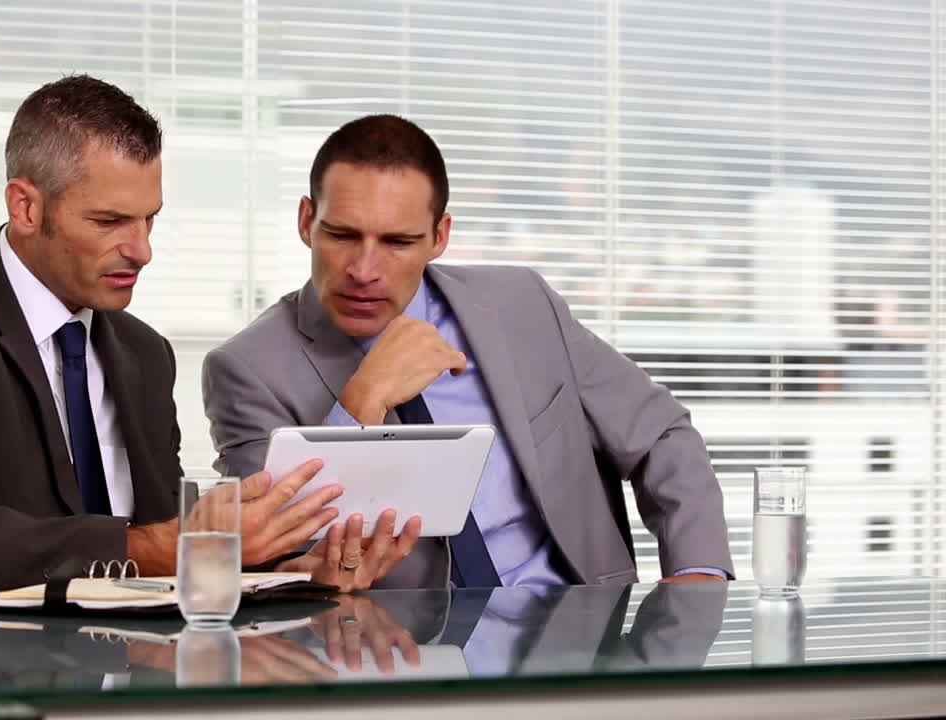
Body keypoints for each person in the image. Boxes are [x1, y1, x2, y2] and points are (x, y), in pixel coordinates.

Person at [0, 76, 408, 598]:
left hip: (96, 664)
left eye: (149, 220)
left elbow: (166, 565)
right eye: (109, 221)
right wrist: (169, 544)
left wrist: (294, 574)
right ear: (26, 208)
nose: (142, 250)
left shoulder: (141, 353)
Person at [202, 114, 734, 589]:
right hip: (407, 663)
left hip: (584, 630)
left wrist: (697, 577)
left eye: (397, 242)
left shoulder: (522, 305)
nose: (364, 271)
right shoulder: (246, 370)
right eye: (342, 235)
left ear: (439, 236)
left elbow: (662, 435)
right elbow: (274, 554)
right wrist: (364, 397)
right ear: (305, 223)